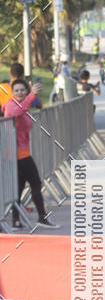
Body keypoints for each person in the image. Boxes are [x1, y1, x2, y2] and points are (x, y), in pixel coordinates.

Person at [5, 79, 59, 229]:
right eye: (17, 90)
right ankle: (42, 218)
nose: (20, 93)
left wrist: (33, 97)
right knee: (35, 183)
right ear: (12, 92)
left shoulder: (24, 105)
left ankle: (16, 221)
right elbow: (16, 113)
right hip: (17, 154)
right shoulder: (11, 105)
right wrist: (31, 96)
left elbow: (30, 107)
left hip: (21, 152)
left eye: (23, 90)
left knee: (19, 187)